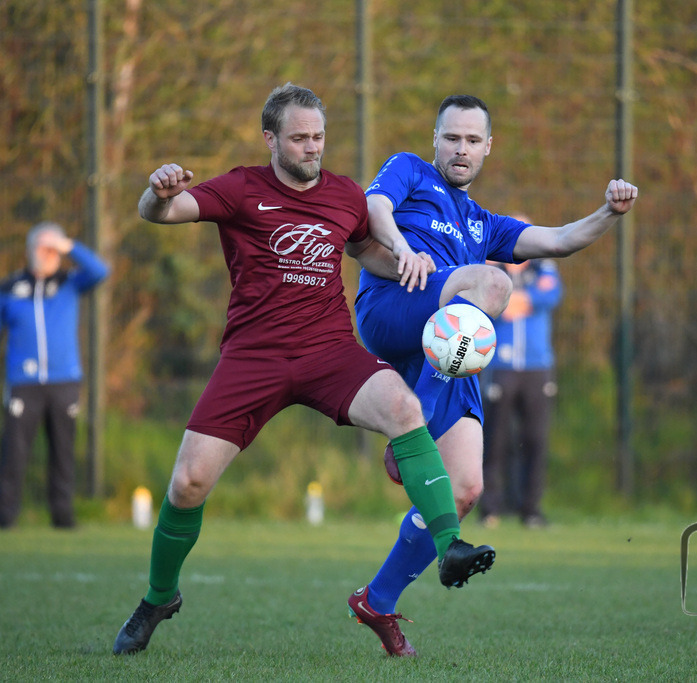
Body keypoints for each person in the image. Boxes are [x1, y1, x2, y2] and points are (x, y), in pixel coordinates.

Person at [112, 83, 495, 656]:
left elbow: (371, 255)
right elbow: (163, 212)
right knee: (188, 483)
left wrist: (431, 277)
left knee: (404, 407)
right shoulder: (241, 188)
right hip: (254, 357)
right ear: (271, 139)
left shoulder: (344, 195)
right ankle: (158, 597)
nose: (312, 148)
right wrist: (157, 191)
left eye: (319, 137)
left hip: (329, 352)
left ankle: (450, 545)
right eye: (299, 138)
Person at [348, 94, 637, 656]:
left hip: (444, 353)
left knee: (465, 489)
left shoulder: (483, 222)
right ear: (435, 139)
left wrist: (609, 212)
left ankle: (377, 600)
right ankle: (418, 426)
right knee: (495, 284)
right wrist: (405, 249)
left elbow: (557, 241)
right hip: (394, 309)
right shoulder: (409, 169)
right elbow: (373, 208)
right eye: (452, 137)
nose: (461, 149)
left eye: (472, 140)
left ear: (487, 147)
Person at [0, 221, 109, 529]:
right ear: (31, 249)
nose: (49, 255)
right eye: (43, 248)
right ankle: (5, 517)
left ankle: (63, 517)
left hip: (64, 382)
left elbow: (101, 271)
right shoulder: (9, 289)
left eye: (53, 250)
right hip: (24, 384)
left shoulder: (70, 283)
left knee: (63, 452)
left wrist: (68, 245)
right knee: (14, 451)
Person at [480, 235, 562, 529]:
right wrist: (521, 301)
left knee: (535, 440)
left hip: (537, 367)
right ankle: (490, 509)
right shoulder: (493, 270)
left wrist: (517, 300)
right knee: (495, 440)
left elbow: (550, 296)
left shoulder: (544, 267)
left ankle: (531, 511)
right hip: (500, 366)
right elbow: (487, 303)